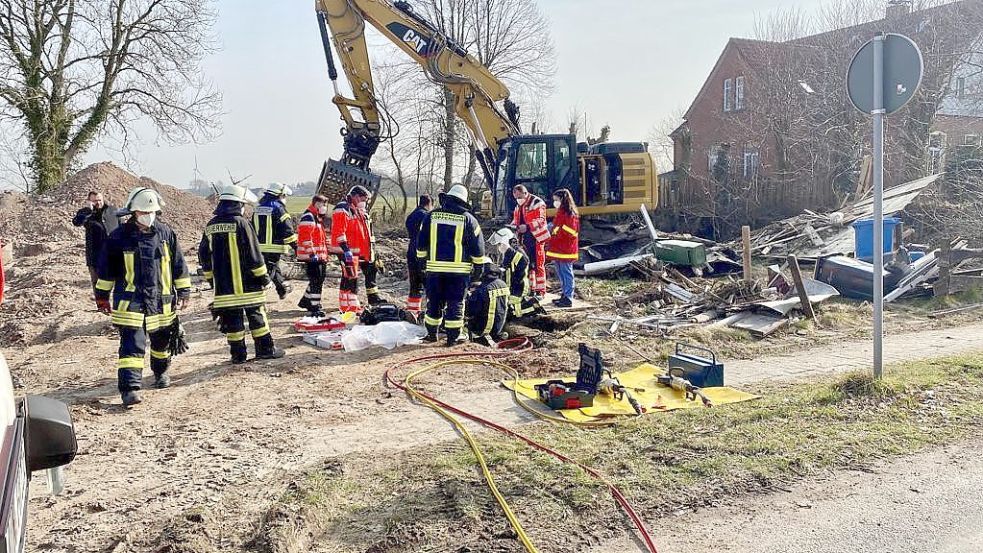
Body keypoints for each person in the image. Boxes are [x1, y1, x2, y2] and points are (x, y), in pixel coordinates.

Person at [94, 187, 191, 407]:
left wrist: (184, 290)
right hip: (131, 303)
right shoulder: (118, 238)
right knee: (131, 347)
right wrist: (101, 297)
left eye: (151, 212)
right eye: (142, 212)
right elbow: (106, 270)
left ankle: (160, 373)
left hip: (161, 302)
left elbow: (178, 265)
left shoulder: (166, 234)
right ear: (133, 213)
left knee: (161, 343)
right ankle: (130, 389)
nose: (148, 216)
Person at [199, 185, 285, 365]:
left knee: (232, 323)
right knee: (257, 318)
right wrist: (264, 278)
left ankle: (238, 355)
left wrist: (211, 280)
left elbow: (204, 256)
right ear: (238, 205)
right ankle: (265, 350)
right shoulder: (242, 223)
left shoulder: (211, 226)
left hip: (224, 289)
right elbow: (253, 254)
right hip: (248, 286)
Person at [415, 184, 486, 346]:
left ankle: (432, 334)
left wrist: (422, 264)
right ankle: (453, 338)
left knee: (433, 302)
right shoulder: (469, 220)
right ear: (463, 201)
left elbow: (421, 243)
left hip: (434, 270)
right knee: (455, 303)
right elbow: (478, 249)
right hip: (459, 273)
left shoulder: (431, 216)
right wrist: (478, 271)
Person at [329, 185, 382, 314]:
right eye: (364, 199)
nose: (366, 202)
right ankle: (351, 308)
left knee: (349, 277)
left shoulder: (354, 209)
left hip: (353, 251)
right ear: (356, 197)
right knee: (351, 278)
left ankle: (347, 307)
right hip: (346, 250)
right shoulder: (343, 208)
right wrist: (346, 249)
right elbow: (339, 231)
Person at [252, 182, 298, 300]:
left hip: (258, 246)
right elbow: (287, 229)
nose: (285, 199)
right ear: (280, 194)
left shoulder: (258, 208)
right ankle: (265, 288)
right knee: (271, 268)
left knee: (271, 267)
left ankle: (282, 289)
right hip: (274, 246)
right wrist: (296, 246)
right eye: (285, 196)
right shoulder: (278, 208)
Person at [487, 228, 542, 319]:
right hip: (512, 287)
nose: (498, 246)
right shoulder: (509, 253)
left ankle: (530, 310)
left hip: (518, 288)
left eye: (500, 244)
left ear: (505, 242)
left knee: (512, 308)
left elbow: (515, 274)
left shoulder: (517, 255)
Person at [73, 191, 119, 290]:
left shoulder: (113, 211)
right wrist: (89, 211)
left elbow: (122, 228)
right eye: (94, 201)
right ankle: (102, 306)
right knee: (99, 288)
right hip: (95, 258)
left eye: (99, 200)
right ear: (89, 201)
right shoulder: (85, 213)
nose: (98, 203)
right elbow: (77, 222)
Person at [511, 185, 550, 297]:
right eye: (516, 197)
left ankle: (541, 291)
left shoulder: (537, 202)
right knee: (529, 265)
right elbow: (516, 219)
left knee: (538, 264)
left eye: (519, 196)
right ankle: (532, 289)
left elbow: (541, 220)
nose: (518, 199)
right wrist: (513, 226)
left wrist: (527, 227)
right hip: (524, 239)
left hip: (536, 238)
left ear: (525, 193)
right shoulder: (518, 206)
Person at [296, 194, 330, 317]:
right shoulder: (309, 217)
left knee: (318, 279)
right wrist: (312, 253)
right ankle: (314, 307)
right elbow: (306, 238)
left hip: (318, 256)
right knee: (316, 281)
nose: (324, 207)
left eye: (325, 204)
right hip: (311, 257)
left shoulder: (316, 218)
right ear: (315, 203)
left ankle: (306, 301)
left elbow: (320, 239)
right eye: (322, 204)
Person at [546, 188, 580, 308]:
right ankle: (564, 295)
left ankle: (568, 297)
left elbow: (570, 231)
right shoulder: (561, 212)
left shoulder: (570, 214)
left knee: (566, 272)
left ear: (562, 200)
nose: (554, 202)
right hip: (559, 247)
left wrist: (555, 231)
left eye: (556, 200)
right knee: (561, 273)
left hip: (566, 248)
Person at [465, 263, 509, 346]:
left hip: (484, 329)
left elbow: (472, 310)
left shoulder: (483, 289)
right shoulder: (503, 284)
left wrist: (469, 297)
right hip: (500, 325)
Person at [404, 194, 433, 317]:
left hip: (411, 252)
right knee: (430, 286)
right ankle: (431, 314)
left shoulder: (411, 216)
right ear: (429, 203)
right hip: (424, 253)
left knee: (415, 285)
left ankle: (412, 313)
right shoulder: (427, 216)